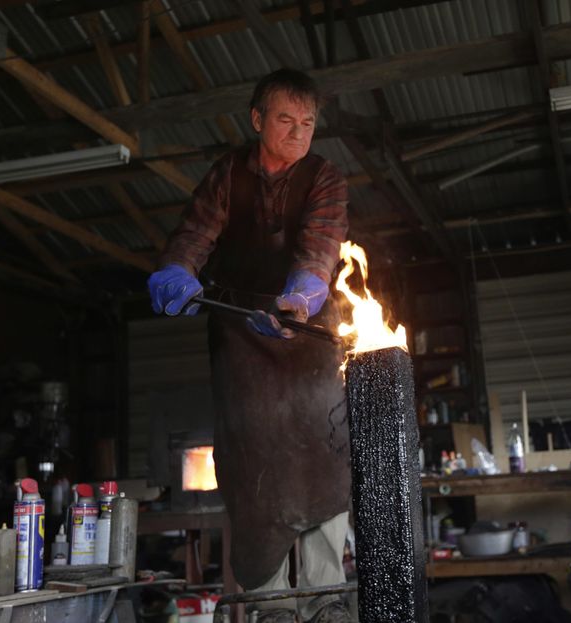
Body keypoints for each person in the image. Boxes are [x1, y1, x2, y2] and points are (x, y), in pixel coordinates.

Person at [147, 69, 353, 623]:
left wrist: (304, 293)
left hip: (307, 336)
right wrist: (177, 269)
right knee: (254, 462)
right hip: (241, 335)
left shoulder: (325, 177)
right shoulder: (226, 176)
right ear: (258, 119)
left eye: (308, 123)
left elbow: (321, 243)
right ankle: (269, 603)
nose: (298, 133)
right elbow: (195, 233)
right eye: (285, 120)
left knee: (326, 457)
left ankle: (326, 597)